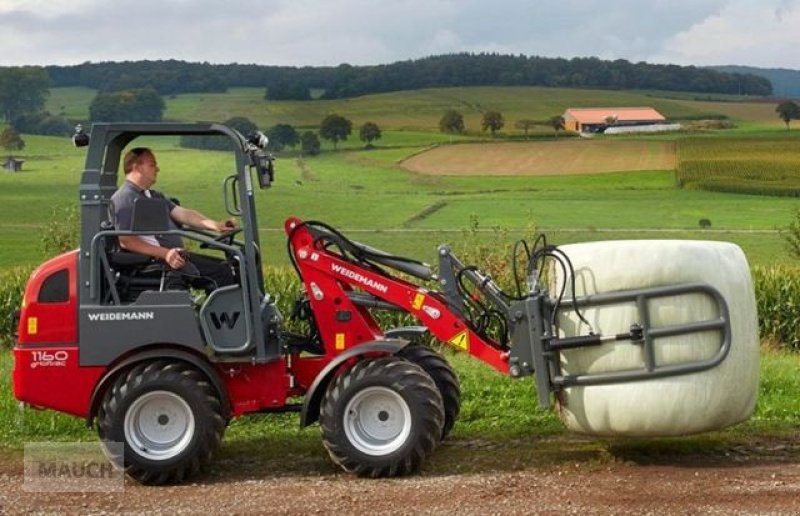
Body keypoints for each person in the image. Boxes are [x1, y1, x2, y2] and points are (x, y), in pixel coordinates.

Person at [111, 147, 238, 292]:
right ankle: (225, 315)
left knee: (225, 267)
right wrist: (166, 254)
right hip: (160, 262)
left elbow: (183, 214)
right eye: (152, 164)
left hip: (175, 257)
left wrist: (215, 225)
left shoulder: (153, 196)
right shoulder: (124, 198)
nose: (157, 169)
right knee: (222, 273)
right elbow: (126, 241)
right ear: (137, 167)